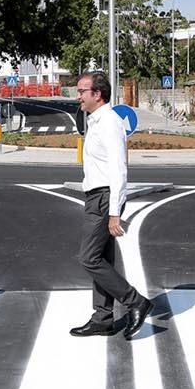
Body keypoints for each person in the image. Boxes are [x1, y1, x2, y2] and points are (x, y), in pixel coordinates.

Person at [69, 71, 153, 340]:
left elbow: (119, 170)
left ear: (97, 94)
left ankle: (135, 302)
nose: (78, 96)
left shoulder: (109, 123)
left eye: (82, 91)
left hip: (105, 197)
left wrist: (114, 213)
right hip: (97, 195)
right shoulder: (95, 120)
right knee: (102, 258)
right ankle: (102, 319)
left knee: (89, 258)